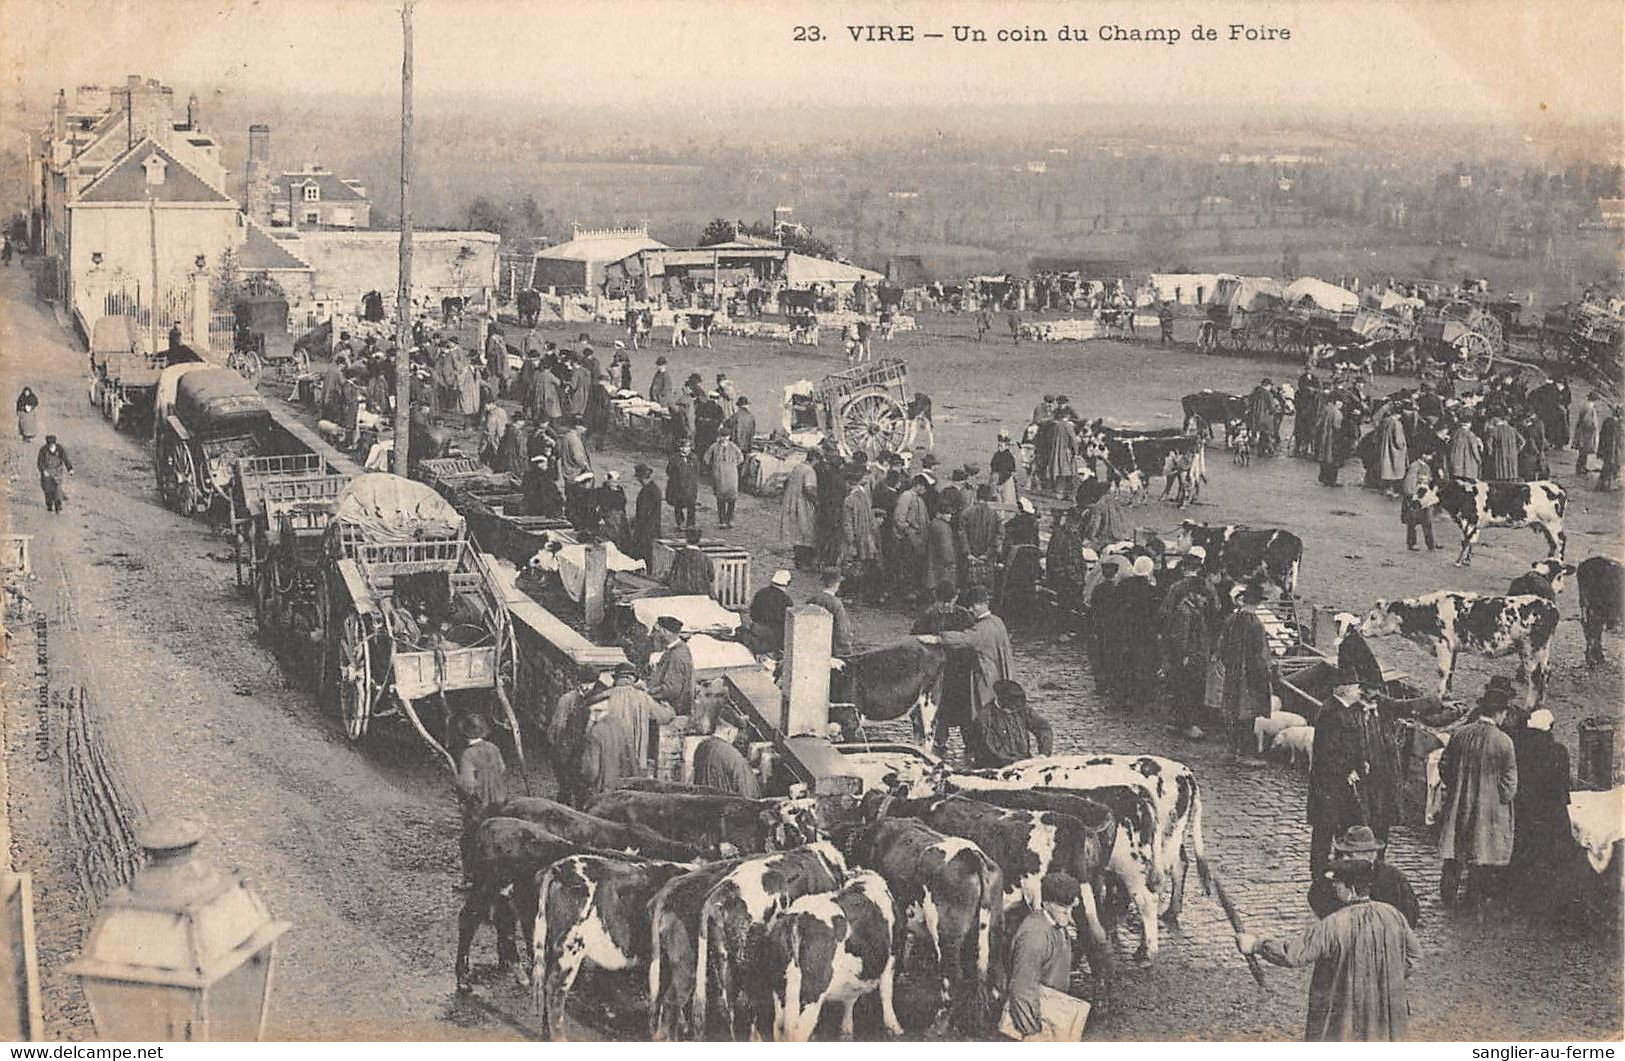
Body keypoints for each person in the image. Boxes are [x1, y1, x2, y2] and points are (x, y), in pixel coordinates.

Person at [1238, 858, 1422, 1042]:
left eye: (1338, 885)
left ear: (1350, 889)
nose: (1335, 888)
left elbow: (1293, 954)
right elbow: (1414, 956)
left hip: (1345, 1013)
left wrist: (1256, 945)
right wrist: (1385, 978)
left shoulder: (1333, 925)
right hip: (1386, 1012)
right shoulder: (1393, 915)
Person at [1309, 664, 1402, 876]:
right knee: (1325, 831)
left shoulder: (1345, 710)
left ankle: (1339, 871)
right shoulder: (1331, 712)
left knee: (1339, 829)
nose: (1358, 690)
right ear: (1342, 689)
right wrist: (1347, 769)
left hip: (1340, 786)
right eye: (1354, 687)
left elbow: (1351, 746)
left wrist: (1359, 764)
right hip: (1329, 786)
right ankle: (1319, 874)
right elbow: (1328, 751)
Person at [1438, 678, 1519, 908]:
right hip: (1488, 808)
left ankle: (1447, 896)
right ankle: (1471, 902)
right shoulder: (1504, 742)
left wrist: (1457, 786)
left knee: (1454, 851)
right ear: (1499, 713)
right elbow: (1510, 783)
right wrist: (1499, 798)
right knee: (1480, 853)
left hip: (1458, 803)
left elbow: (1444, 765)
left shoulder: (1460, 734)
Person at [918, 586, 1013, 751]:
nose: (971, 609)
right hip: (996, 674)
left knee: (981, 711)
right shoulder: (998, 622)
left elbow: (966, 638)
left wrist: (938, 638)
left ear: (983, 604)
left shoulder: (983, 627)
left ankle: (987, 747)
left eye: (974, 605)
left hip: (984, 676)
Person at [1002, 873, 1086, 1042]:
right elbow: (1022, 989)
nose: (1068, 913)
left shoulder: (1057, 924)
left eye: (1071, 906)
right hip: (1035, 1022)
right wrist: (1032, 1033)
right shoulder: (1035, 935)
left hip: (1050, 1013)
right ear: (1046, 903)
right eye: (1062, 906)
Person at [1307, 825, 1421, 928]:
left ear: (1373, 854)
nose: (1346, 858)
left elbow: (1411, 912)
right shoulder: (1334, 873)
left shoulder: (1392, 876)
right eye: (1346, 854)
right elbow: (1316, 898)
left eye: (1352, 854)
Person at [1210, 581, 1273, 762]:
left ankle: (1230, 749)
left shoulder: (1231, 619)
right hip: (1251, 677)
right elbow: (1262, 655)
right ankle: (1245, 753)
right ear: (1258, 603)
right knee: (1248, 713)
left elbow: (1221, 646)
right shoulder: (1256, 624)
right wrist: (1267, 674)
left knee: (1232, 711)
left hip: (1233, 674)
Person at [1510, 708, 1570, 897]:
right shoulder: (1558, 751)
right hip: (1549, 813)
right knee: (1548, 853)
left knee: (1522, 851)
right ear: (1549, 728)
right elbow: (1562, 787)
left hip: (1522, 809)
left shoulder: (1517, 747)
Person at [453, 713, 508, 883]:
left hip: (480, 806)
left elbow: (467, 785)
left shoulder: (468, 755)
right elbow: (502, 769)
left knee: (468, 841)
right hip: (500, 802)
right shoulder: (494, 748)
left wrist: (463, 796)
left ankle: (470, 878)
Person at [968, 678, 1053, 769]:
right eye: (1012, 707)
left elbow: (1043, 728)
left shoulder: (1022, 709)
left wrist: (1043, 754)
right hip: (995, 768)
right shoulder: (985, 718)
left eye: (1016, 707)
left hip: (1023, 764)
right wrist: (1016, 763)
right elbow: (991, 750)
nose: (1014, 710)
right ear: (1000, 700)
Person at [837, 469, 879, 599]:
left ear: (849, 483)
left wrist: (850, 541)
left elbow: (847, 523)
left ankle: (848, 592)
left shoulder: (849, 500)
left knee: (848, 565)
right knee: (861, 565)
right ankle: (859, 592)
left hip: (855, 538)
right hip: (866, 537)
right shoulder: (866, 497)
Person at [691, 721, 760, 798]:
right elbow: (750, 795)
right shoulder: (733, 756)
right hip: (725, 807)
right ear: (729, 731)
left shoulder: (701, 746)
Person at [645, 617, 696, 717]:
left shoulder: (676, 655)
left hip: (673, 712)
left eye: (655, 631)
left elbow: (672, 689)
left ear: (664, 632)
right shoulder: (681, 649)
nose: (651, 635)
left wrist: (647, 692)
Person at [780, 450, 820, 569]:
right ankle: (804, 562)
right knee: (806, 531)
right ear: (815, 459)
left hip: (791, 501)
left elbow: (786, 482)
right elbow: (809, 489)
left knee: (796, 532)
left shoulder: (797, 467)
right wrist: (817, 501)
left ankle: (798, 560)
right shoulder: (809, 471)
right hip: (803, 504)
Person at [808, 568, 859, 658]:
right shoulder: (836, 603)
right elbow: (842, 629)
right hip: (832, 648)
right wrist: (846, 651)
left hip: (815, 644)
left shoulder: (813, 598)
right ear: (836, 584)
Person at [703, 431, 744, 529]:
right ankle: (722, 521)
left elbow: (741, 458)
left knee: (732, 498)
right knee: (720, 498)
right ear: (719, 437)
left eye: (726, 436)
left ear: (729, 437)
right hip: (719, 476)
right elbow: (706, 458)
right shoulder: (714, 447)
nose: (724, 438)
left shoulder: (733, 447)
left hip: (731, 476)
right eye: (722, 436)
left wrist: (732, 464)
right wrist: (715, 467)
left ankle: (729, 520)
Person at [749, 569, 794, 654]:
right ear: (787, 584)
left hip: (757, 630)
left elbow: (752, 613)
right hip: (775, 637)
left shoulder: (760, 593)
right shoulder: (786, 600)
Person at [1399, 454, 1438, 551]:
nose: (1431, 458)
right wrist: (1412, 494)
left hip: (1424, 497)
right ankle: (1412, 543)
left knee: (1427, 521)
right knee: (1412, 522)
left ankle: (1431, 544)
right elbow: (1409, 482)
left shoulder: (1426, 466)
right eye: (1429, 455)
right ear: (1423, 455)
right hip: (1415, 497)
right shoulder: (1415, 466)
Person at [667, 526, 715, 597]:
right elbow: (711, 577)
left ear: (686, 538)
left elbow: (672, 574)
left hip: (681, 593)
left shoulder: (679, 556)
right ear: (699, 539)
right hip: (700, 594)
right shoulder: (705, 558)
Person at [630, 462, 663, 561]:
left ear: (641, 478)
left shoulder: (647, 492)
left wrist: (634, 522)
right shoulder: (654, 488)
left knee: (644, 555)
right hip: (653, 527)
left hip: (646, 529)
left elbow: (643, 513)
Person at [665, 441, 700, 531]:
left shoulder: (694, 458)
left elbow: (696, 471)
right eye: (684, 447)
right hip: (677, 486)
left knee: (691, 505)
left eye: (688, 447)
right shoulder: (674, 458)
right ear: (680, 448)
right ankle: (679, 523)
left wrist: (692, 482)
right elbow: (669, 471)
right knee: (678, 505)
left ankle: (690, 524)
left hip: (690, 486)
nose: (686, 449)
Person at [36, 435, 73, 513]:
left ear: (55, 444)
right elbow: (40, 462)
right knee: (48, 489)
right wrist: (43, 470)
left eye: (52, 445)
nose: (51, 447)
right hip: (47, 471)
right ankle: (49, 504)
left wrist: (70, 468)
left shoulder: (60, 449)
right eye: (49, 445)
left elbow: (65, 458)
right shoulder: (43, 450)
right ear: (47, 444)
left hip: (57, 471)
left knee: (58, 488)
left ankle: (58, 505)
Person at [1376, 409, 1406, 495]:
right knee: (1395, 470)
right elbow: (1399, 441)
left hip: (1385, 447)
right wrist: (1403, 446)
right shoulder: (1397, 424)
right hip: (1394, 450)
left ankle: (1386, 489)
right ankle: (1392, 490)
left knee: (1387, 469)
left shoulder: (1385, 421)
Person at [1316, 399, 1346, 487]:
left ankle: (1324, 477)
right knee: (1334, 459)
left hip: (1324, 437)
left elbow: (1319, 423)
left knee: (1324, 457)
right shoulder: (1337, 413)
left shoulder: (1326, 409)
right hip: (1333, 439)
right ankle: (1332, 480)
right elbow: (1337, 427)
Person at [1573, 390, 1603, 474]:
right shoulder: (1590, 407)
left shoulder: (1585, 405)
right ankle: (1580, 468)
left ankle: (1582, 467)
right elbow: (1587, 421)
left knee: (1583, 450)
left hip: (1582, 431)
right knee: (1584, 450)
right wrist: (1593, 428)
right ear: (1595, 399)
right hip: (1586, 433)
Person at [1483, 413, 1520, 480]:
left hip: (1500, 454)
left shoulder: (1494, 430)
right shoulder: (1513, 429)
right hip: (1512, 454)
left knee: (1501, 474)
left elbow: (1489, 443)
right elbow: (1522, 441)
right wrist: (1516, 450)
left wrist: (1490, 452)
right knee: (1512, 473)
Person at [1599, 405, 1623, 491]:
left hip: (1607, 447)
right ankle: (1608, 484)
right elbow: (1619, 439)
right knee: (1612, 466)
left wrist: (1600, 448)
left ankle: (1603, 484)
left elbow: (1602, 435)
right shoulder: (1618, 424)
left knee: (1606, 465)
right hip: (1614, 448)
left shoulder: (1607, 421)